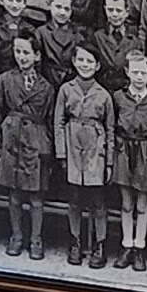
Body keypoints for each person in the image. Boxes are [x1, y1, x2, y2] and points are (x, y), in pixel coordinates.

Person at [0, 28, 56, 258]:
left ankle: (36, 239)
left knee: (36, 196)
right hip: (12, 140)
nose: (22, 57)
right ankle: (16, 236)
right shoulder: (5, 80)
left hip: (36, 143)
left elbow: (50, 120)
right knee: (15, 195)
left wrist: (47, 149)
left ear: (37, 55)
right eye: (18, 51)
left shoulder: (46, 87)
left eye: (27, 52)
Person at [54, 39, 115, 267]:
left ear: (97, 65)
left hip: (96, 150)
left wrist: (109, 162)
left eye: (89, 61)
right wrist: (61, 154)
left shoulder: (104, 95)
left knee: (98, 201)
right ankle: (75, 243)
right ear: (74, 61)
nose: (84, 65)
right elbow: (58, 123)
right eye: (80, 60)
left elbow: (110, 129)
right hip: (72, 148)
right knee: (75, 200)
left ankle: (100, 245)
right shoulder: (65, 89)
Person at [113, 48, 147, 271]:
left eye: (143, 72)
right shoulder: (118, 98)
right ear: (127, 72)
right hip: (124, 151)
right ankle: (126, 246)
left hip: (146, 154)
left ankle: (139, 247)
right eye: (135, 72)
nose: (139, 76)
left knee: (142, 205)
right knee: (126, 203)